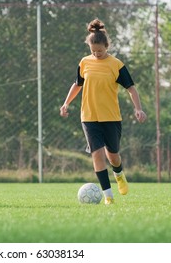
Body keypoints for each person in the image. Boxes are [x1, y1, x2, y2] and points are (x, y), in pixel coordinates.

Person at [60, 18, 147, 205]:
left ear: (106, 46)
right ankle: (108, 196)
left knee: (113, 155)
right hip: (89, 117)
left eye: (100, 50)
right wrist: (66, 103)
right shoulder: (84, 62)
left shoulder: (116, 65)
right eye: (93, 51)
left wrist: (138, 108)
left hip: (111, 117)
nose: (97, 54)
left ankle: (119, 174)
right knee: (97, 154)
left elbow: (131, 88)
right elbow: (77, 85)